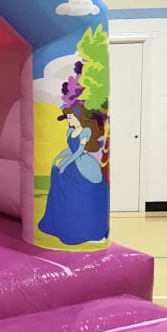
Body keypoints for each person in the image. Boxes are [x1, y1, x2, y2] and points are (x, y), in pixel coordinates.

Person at [38, 105, 109, 245]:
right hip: (72, 161)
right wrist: (57, 158)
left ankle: (91, 230)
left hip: (83, 163)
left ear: (78, 117)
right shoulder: (70, 131)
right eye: (67, 118)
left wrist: (64, 164)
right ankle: (65, 224)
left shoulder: (86, 131)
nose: (68, 120)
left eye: (70, 117)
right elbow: (70, 149)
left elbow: (78, 152)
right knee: (64, 188)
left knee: (86, 191)